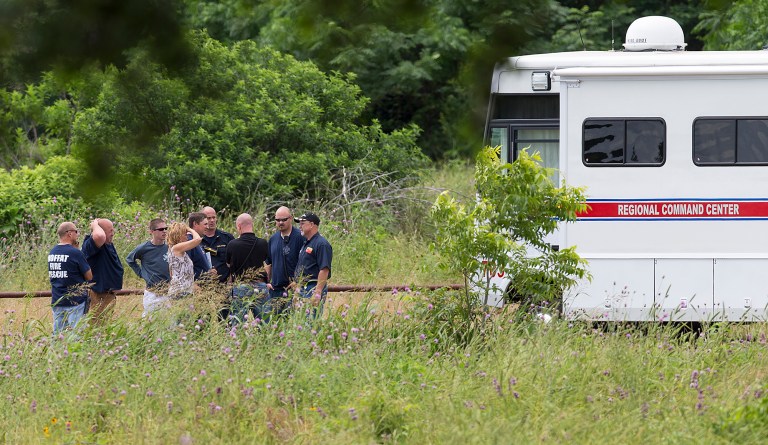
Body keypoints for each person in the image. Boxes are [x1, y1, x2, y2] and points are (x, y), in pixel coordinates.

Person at [49, 222, 92, 334]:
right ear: (69, 233)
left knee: (58, 334)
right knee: (76, 335)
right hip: (75, 301)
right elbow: (89, 276)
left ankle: (56, 351)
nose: (77, 234)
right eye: (76, 231)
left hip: (57, 299)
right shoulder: (75, 253)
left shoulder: (52, 252)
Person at [225, 213, 269, 323]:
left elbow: (228, 265)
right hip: (260, 286)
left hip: (241, 286)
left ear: (239, 226)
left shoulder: (232, 244)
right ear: (252, 225)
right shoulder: (263, 243)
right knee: (264, 322)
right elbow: (267, 263)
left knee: (238, 323)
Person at [82, 218, 124, 325]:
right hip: (98, 295)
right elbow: (99, 236)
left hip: (107, 295)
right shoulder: (91, 244)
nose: (113, 233)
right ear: (100, 230)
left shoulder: (107, 244)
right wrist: (95, 224)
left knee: (104, 327)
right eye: (110, 230)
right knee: (96, 328)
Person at [126, 218, 171, 315]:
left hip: (168, 293)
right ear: (152, 231)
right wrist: (141, 273)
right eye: (160, 229)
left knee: (169, 325)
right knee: (150, 322)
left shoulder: (170, 247)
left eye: (165, 228)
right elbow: (130, 259)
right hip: (152, 294)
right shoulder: (144, 248)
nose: (164, 231)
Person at [293, 212, 332, 319]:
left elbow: (324, 269)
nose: (299, 226)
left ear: (311, 224)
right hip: (302, 287)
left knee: (310, 322)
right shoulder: (307, 243)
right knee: (301, 321)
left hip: (313, 287)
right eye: (299, 223)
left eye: (302, 223)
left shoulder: (321, 244)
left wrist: (318, 292)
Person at [264, 206, 303, 315]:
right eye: (277, 220)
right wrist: (266, 282)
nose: (280, 222)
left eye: (284, 220)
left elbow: (306, 262)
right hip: (275, 290)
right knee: (275, 324)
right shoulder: (273, 239)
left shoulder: (300, 237)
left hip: (293, 288)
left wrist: (298, 282)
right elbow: (268, 263)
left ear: (290, 218)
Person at [166, 222, 202, 300]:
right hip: (180, 292)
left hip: (184, 291)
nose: (187, 237)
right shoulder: (176, 248)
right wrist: (190, 229)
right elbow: (198, 239)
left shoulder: (175, 249)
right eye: (185, 234)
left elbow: (171, 272)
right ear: (179, 235)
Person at [200, 206, 235, 284]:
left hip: (224, 284)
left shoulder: (227, 238)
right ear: (202, 220)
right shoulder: (197, 240)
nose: (212, 220)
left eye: (214, 217)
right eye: (209, 218)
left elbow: (235, 261)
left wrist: (231, 280)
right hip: (202, 286)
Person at [187, 212, 212, 280]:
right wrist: (193, 284)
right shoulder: (189, 241)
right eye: (205, 224)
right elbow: (185, 266)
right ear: (195, 224)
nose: (208, 227)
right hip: (196, 287)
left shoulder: (198, 241)